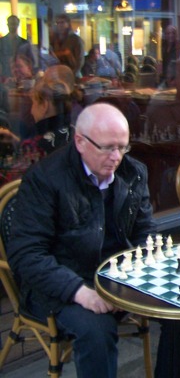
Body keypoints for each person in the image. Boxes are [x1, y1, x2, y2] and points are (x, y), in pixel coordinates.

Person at [7, 103, 154, 378]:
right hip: (63, 284)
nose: (117, 157)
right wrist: (80, 291)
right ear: (80, 142)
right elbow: (26, 254)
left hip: (118, 278)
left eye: (123, 147)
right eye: (108, 147)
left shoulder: (133, 173)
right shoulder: (45, 179)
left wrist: (140, 276)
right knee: (97, 330)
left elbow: (144, 231)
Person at [0, 15, 31, 80]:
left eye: (14, 24)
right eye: (11, 23)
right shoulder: (1, 42)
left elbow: (28, 60)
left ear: (18, 25)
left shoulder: (24, 42)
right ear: (7, 24)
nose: (12, 26)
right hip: (5, 75)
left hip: (21, 75)